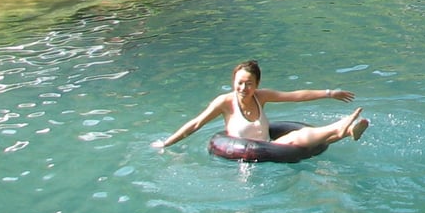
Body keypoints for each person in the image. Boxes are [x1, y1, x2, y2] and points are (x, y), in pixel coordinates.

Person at [156, 59, 367, 151]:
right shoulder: (225, 103)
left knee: (296, 140)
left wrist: (330, 93)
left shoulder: (261, 96)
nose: (243, 88)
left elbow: (295, 95)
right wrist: (167, 143)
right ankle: (341, 126)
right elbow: (196, 124)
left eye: (249, 84)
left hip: (271, 148)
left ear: (256, 84)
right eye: (239, 83)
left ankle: (348, 130)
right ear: (233, 82)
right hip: (245, 157)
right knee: (295, 139)